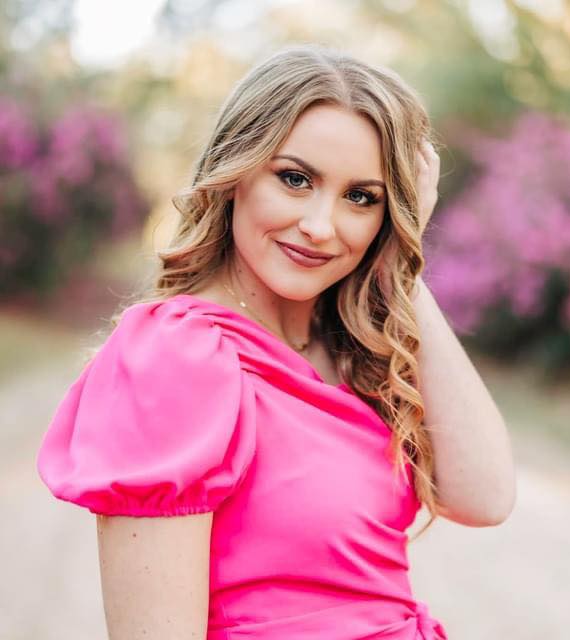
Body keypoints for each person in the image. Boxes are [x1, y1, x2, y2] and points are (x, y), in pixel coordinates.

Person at [36, 43, 516, 640]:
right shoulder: (178, 353)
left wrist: (402, 264)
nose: (320, 226)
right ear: (236, 170)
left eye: (361, 197)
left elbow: (485, 497)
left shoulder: (353, 350)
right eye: (294, 179)